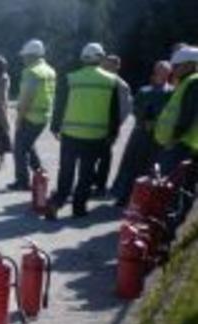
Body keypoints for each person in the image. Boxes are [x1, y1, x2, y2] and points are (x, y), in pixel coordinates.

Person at [46, 43, 127, 221]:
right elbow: (114, 112)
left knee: (66, 170)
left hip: (70, 134)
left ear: (83, 59)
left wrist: (54, 126)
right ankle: (79, 208)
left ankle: (58, 202)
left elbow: (59, 105)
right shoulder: (111, 80)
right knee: (86, 173)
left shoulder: (71, 78)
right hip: (95, 136)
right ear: (101, 58)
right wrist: (113, 133)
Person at [110, 61, 174, 206]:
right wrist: (143, 119)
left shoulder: (172, 92)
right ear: (154, 71)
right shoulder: (144, 91)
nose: (161, 74)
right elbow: (135, 108)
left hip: (159, 136)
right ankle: (124, 196)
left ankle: (146, 200)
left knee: (153, 167)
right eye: (159, 70)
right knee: (131, 166)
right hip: (141, 135)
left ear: (169, 74)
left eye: (164, 71)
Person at [9, 39, 56, 191]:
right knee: (29, 145)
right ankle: (39, 172)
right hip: (44, 116)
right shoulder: (49, 70)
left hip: (30, 116)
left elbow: (27, 96)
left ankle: (22, 182)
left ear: (32, 55)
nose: (23, 59)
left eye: (25, 56)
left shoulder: (31, 71)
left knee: (19, 149)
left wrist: (19, 118)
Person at [93, 54, 133, 197]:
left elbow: (124, 110)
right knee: (90, 156)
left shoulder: (121, 85)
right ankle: (93, 182)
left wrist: (114, 127)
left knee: (104, 158)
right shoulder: (99, 81)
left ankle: (100, 186)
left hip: (109, 128)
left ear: (117, 66)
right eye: (105, 64)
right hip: (94, 126)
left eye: (111, 65)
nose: (107, 67)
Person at [154, 46, 198, 175]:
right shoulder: (186, 82)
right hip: (183, 142)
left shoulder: (194, 82)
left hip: (183, 143)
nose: (173, 70)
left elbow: (188, 113)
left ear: (190, 65)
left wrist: (174, 137)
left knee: (170, 183)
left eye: (177, 66)